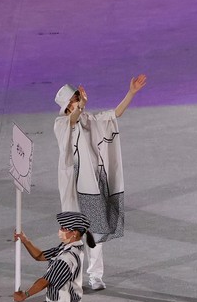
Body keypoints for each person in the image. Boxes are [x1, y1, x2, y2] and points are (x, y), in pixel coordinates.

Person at [54, 74, 147, 290]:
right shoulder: (61, 124)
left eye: (78, 96)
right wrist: (80, 107)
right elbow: (72, 120)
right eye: (74, 99)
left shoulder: (90, 120)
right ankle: (70, 276)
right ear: (68, 106)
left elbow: (115, 114)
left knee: (95, 230)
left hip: (93, 185)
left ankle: (95, 276)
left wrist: (131, 93)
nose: (78, 101)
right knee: (73, 233)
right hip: (73, 186)